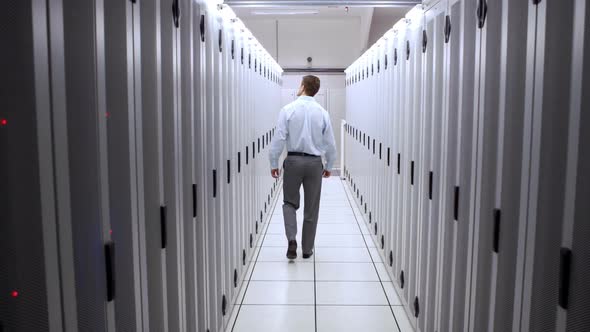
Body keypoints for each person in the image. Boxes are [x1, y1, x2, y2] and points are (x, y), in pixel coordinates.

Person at [268, 75, 337, 259]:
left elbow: (279, 139)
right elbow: (330, 144)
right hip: (314, 164)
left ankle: (292, 239)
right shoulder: (322, 112)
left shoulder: (287, 110)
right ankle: (307, 250)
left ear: (303, 86)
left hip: (293, 162)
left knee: (289, 203)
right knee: (311, 207)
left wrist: (273, 162)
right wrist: (329, 165)